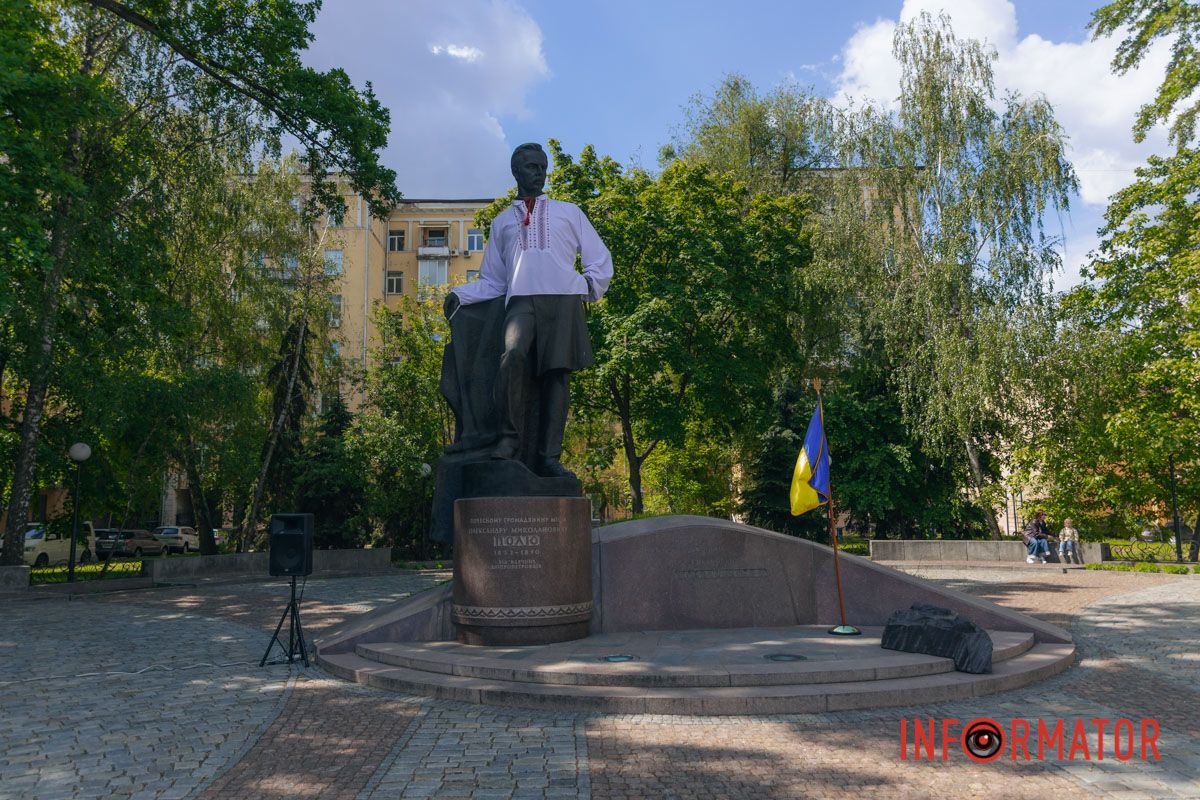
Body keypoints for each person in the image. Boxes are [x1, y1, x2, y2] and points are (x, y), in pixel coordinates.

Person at [443, 143, 612, 478]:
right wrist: (460, 294)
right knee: (512, 355)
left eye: (542, 167)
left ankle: (550, 456)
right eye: (532, 167)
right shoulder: (502, 222)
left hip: (563, 299)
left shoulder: (569, 212)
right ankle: (508, 439)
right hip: (521, 300)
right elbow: (493, 280)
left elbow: (598, 257)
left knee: (557, 376)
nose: (539, 173)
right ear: (516, 172)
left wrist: (588, 287)